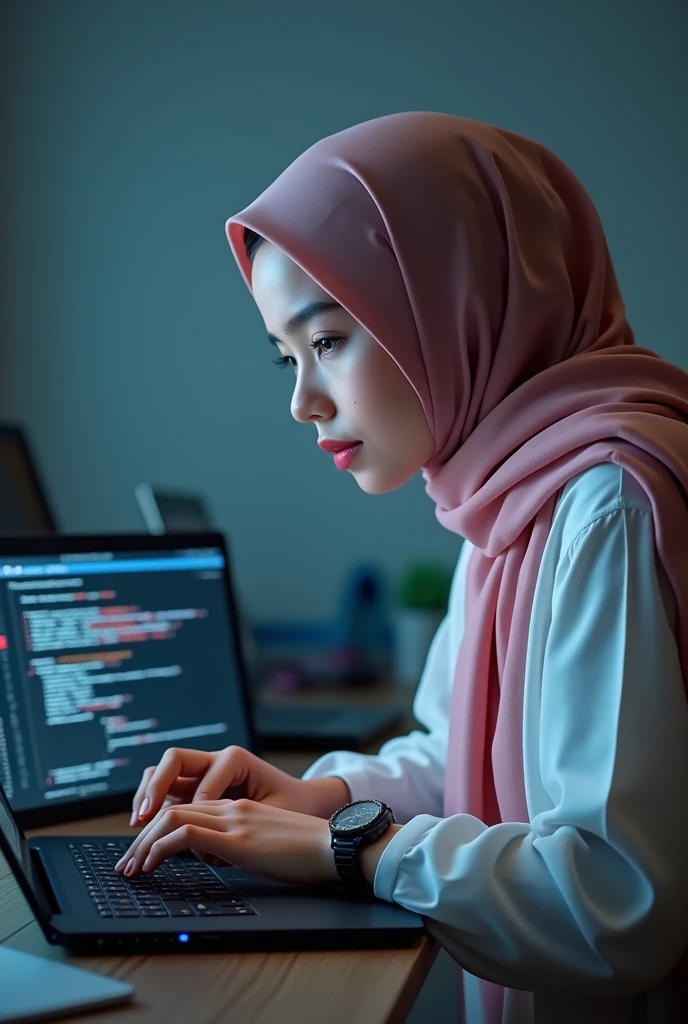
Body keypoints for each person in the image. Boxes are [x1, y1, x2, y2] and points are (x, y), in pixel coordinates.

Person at [115, 112, 688, 1023]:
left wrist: (353, 850)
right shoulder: (509, 491)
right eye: (286, 357)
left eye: (330, 341)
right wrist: (324, 797)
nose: (302, 401)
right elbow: (457, 750)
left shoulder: (604, 502)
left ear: (457, 301)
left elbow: (613, 903)